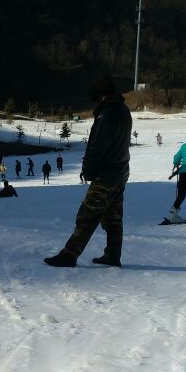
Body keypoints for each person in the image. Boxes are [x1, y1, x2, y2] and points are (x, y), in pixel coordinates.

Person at [44, 75, 132, 267]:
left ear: (100, 95)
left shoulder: (106, 114)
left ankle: (70, 254)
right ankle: (112, 255)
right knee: (113, 218)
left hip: (106, 175)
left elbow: (97, 146)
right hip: (120, 172)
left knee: (87, 215)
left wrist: (88, 169)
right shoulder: (123, 110)